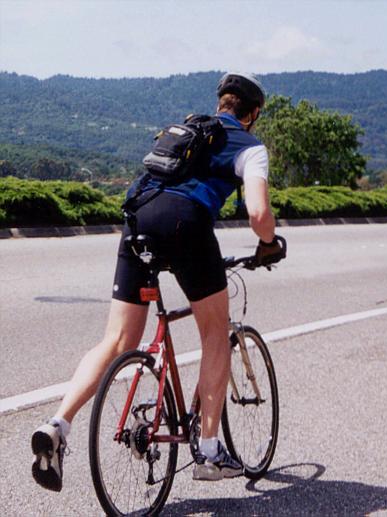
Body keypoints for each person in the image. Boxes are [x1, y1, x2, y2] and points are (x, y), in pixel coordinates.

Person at [31, 72, 285, 491]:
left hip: (137, 219)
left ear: (221, 103)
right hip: (186, 224)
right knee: (215, 333)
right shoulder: (249, 145)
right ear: (253, 113)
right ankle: (208, 450)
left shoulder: (188, 131)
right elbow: (258, 215)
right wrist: (270, 243)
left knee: (117, 340)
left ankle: (58, 424)